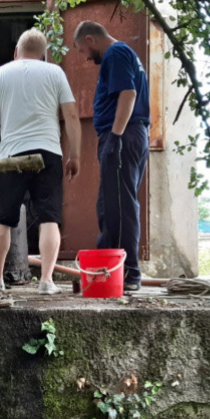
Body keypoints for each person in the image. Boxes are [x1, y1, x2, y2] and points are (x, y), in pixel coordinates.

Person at [0, 28, 81, 295]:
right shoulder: (55, 73)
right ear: (44, 55)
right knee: (49, 218)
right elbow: (71, 116)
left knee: (3, 219)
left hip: (12, 156)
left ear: (16, 52)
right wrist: (75, 155)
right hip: (48, 153)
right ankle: (46, 281)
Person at [73, 21, 150, 291]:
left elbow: (128, 94)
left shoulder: (115, 54)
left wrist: (115, 138)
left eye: (83, 50)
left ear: (91, 40)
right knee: (109, 205)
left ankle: (128, 272)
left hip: (123, 135)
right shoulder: (125, 54)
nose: (84, 56)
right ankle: (106, 269)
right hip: (127, 135)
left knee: (120, 206)